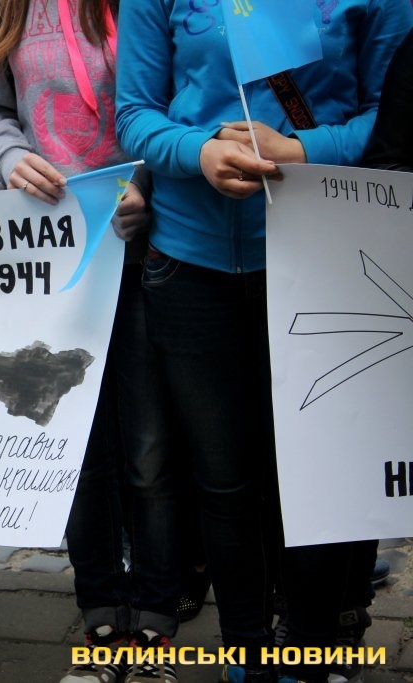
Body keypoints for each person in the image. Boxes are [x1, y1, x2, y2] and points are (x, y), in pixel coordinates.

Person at [115, 2, 413, 683]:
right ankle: (245, 650)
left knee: (315, 472)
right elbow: (134, 113)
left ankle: (308, 650)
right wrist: (200, 151)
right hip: (189, 261)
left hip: (324, 255)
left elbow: (393, 115)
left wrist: (303, 152)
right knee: (222, 480)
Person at [0, 1, 178, 682]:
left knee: (149, 451)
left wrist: (148, 187)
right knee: (78, 453)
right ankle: (101, 617)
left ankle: (156, 623)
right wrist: (10, 158)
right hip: (53, 264)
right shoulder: (1, 5)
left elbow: (177, 103)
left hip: (143, 255)